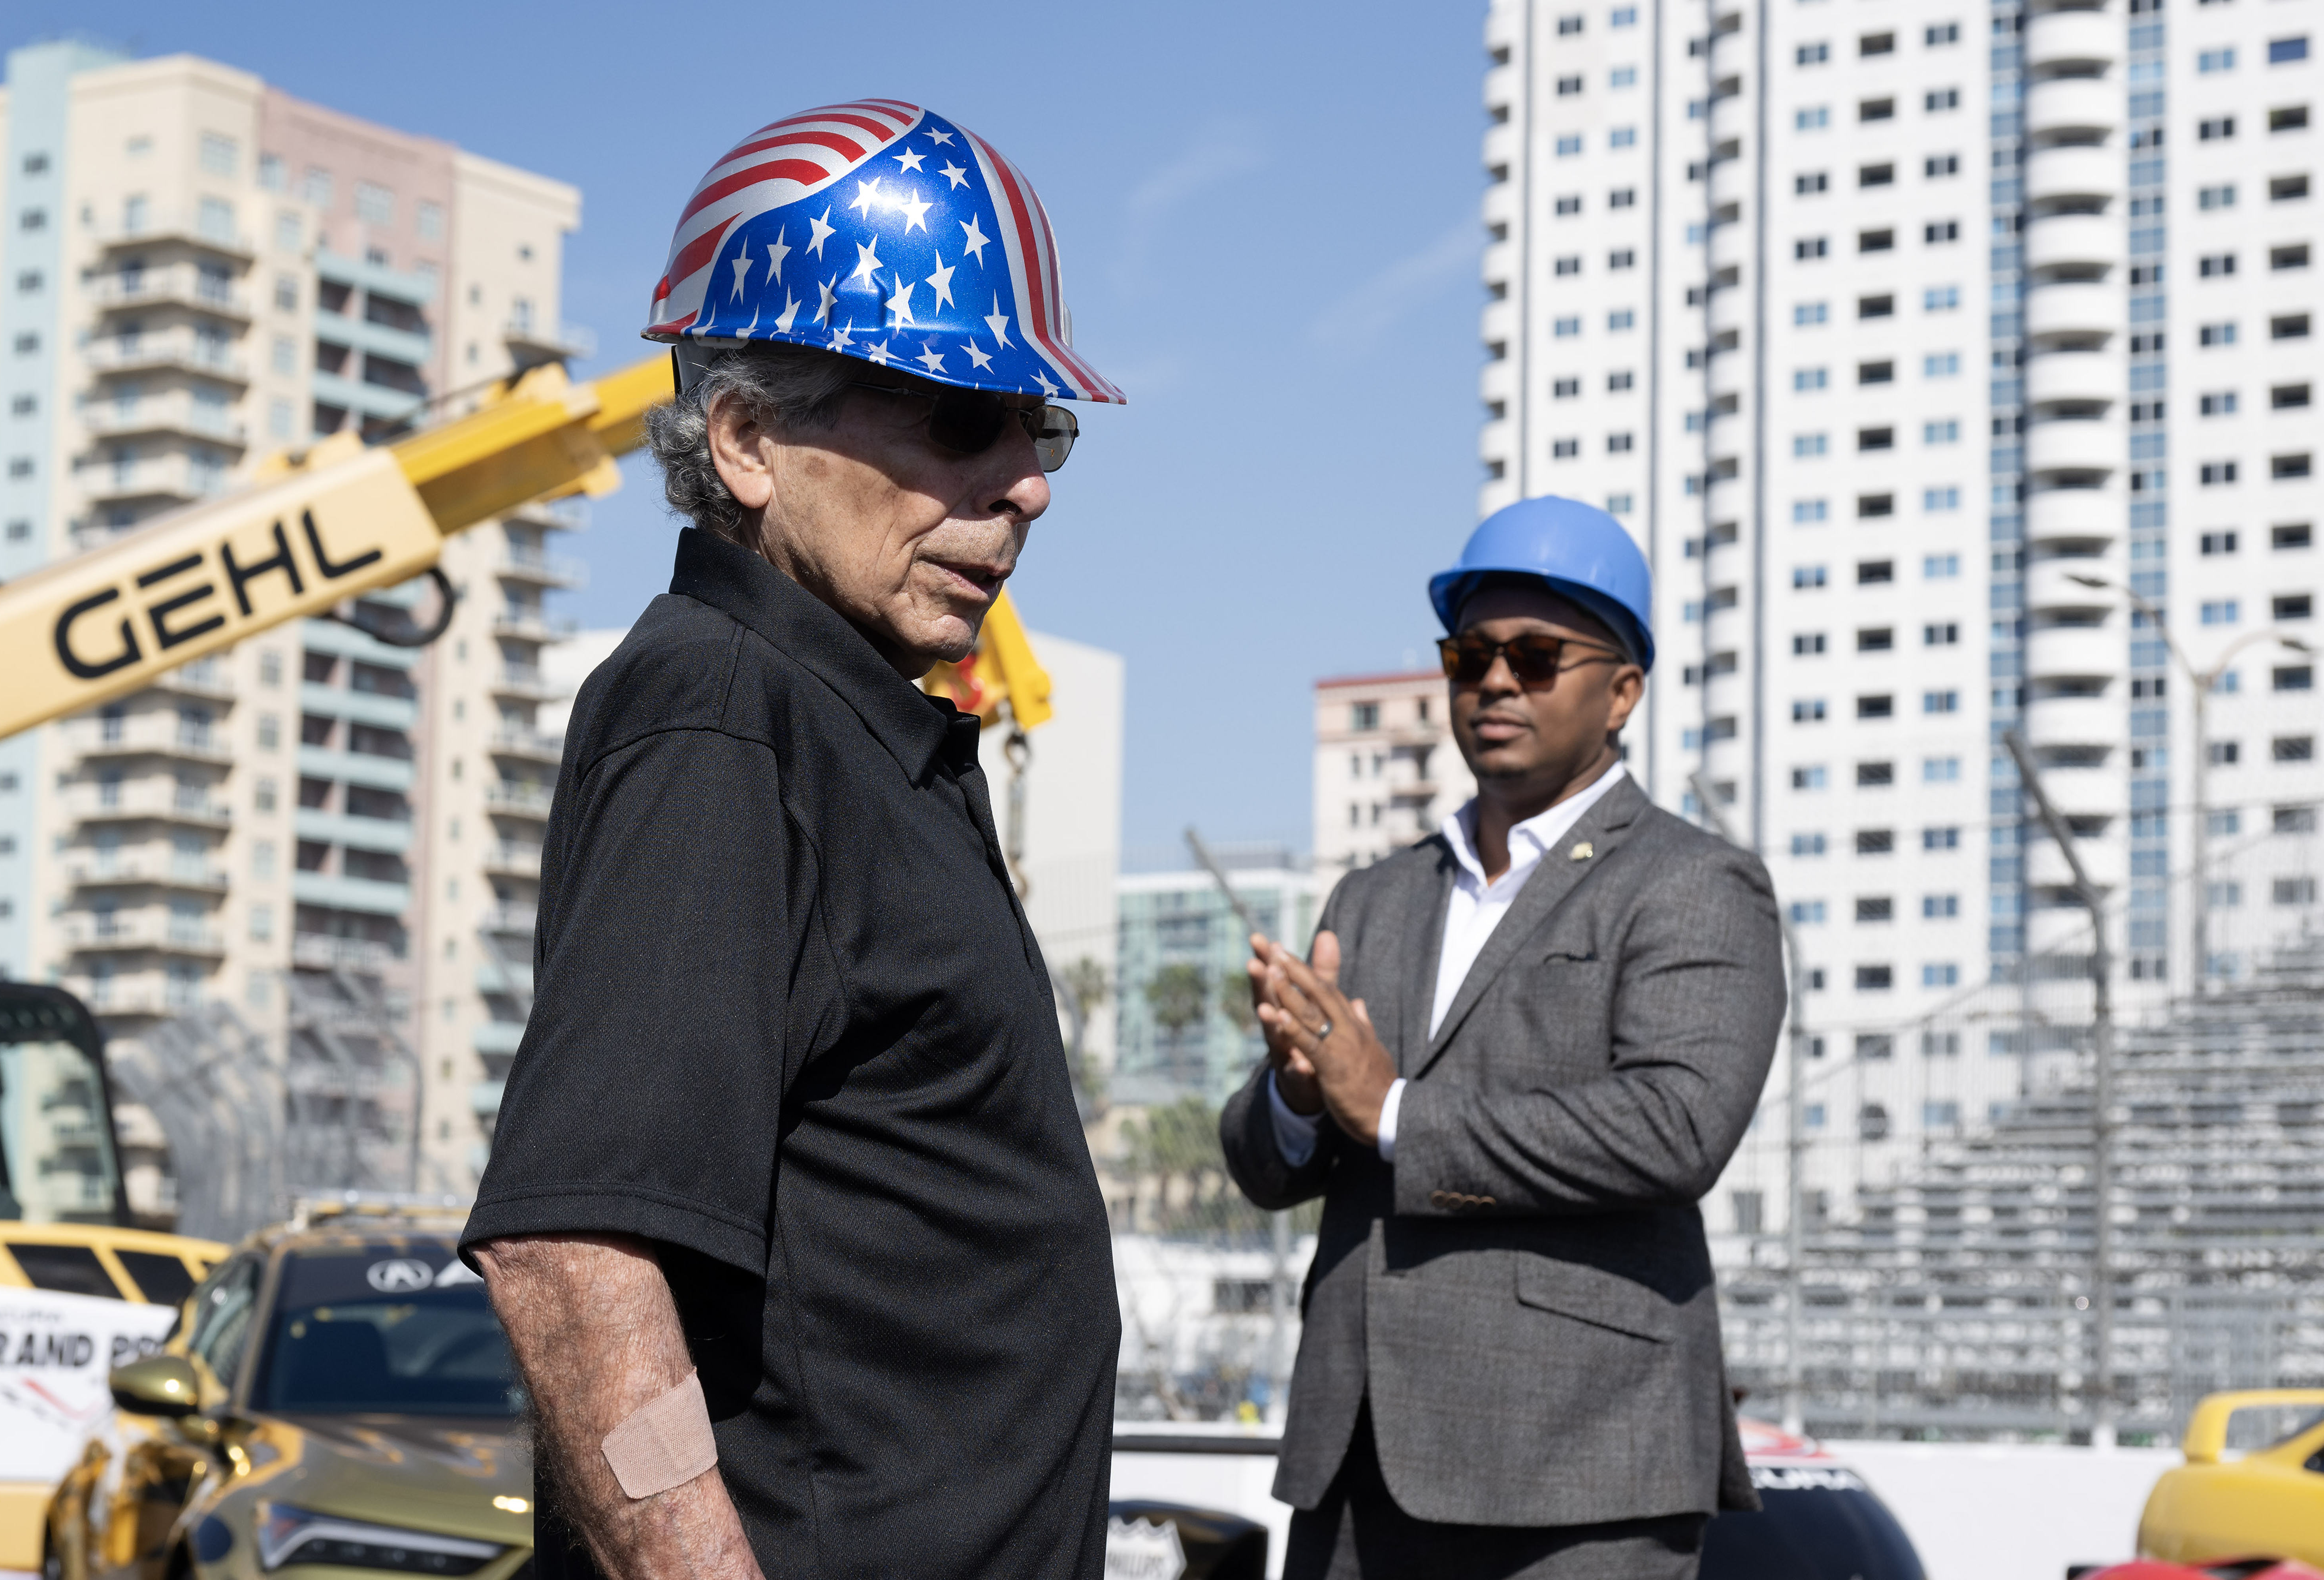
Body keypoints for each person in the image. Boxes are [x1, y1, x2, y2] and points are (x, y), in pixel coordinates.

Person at [460, 100, 1125, 1580]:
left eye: (1043, 426)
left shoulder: (860, 728)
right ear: (751, 439)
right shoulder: (719, 714)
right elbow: (572, 1258)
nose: (1023, 481)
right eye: (963, 416)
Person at [1221, 496, 1787, 1580]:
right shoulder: (1375, 895)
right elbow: (1270, 1156)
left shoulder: (1693, 884)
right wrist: (1299, 1096)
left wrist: (1391, 1112)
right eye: (1470, 653)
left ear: (1623, 690)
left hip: (1579, 1469)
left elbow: (1676, 1129)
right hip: (1359, 1460)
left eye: (1536, 656)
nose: (1493, 681)